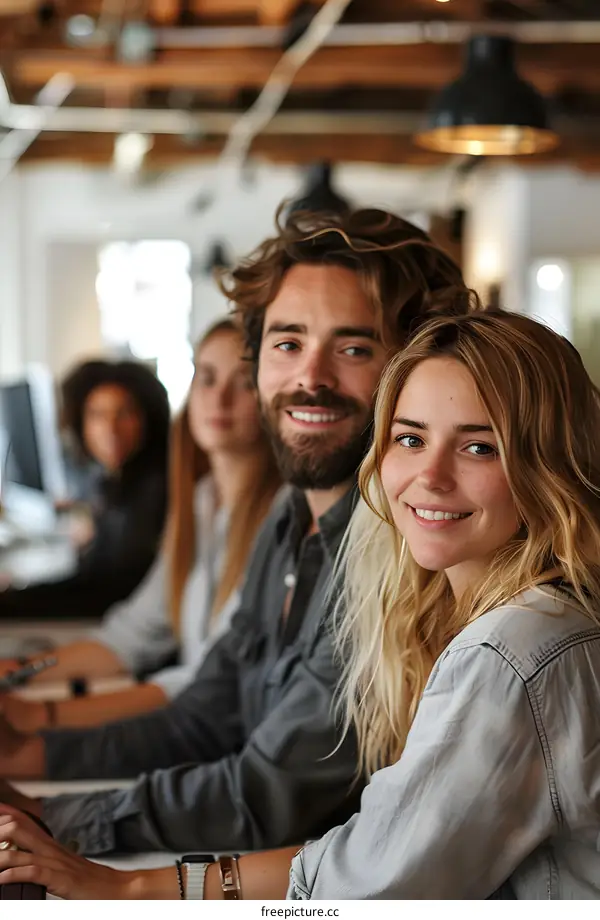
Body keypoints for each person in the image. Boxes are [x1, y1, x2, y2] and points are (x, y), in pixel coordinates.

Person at [4, 307, 600, 900]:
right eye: (411, 439)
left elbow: (367, 882)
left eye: (479, 448)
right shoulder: (479, 615)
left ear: (550, 461)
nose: (430, 476)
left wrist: (129, 886)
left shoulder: (511, 648)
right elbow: (372, 849)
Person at [0, 207, 468, 860]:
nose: (312, 377)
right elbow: (203, 716)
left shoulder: (404, 549)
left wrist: (57, 819)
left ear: (414, 366)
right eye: (288, 342)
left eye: (354, 348)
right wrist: (28, 756)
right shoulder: (289, 516)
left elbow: (269, 792)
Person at [0, 320, 282, 732]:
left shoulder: (283, 518)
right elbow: (131, 635)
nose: (218, 397)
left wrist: (40, 718)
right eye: (205, 378)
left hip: (213, 739)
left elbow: (210, 683)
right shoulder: (200, 502)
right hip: (184, 724)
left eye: (244, 381)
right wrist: (17, 670)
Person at [0, 360, 170, 619]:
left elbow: (107, 590)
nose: (110, 429)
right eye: (97, 415)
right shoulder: (115, 484)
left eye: (124, 413)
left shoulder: (155, 488)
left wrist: (14, 601)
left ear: (147, 418)